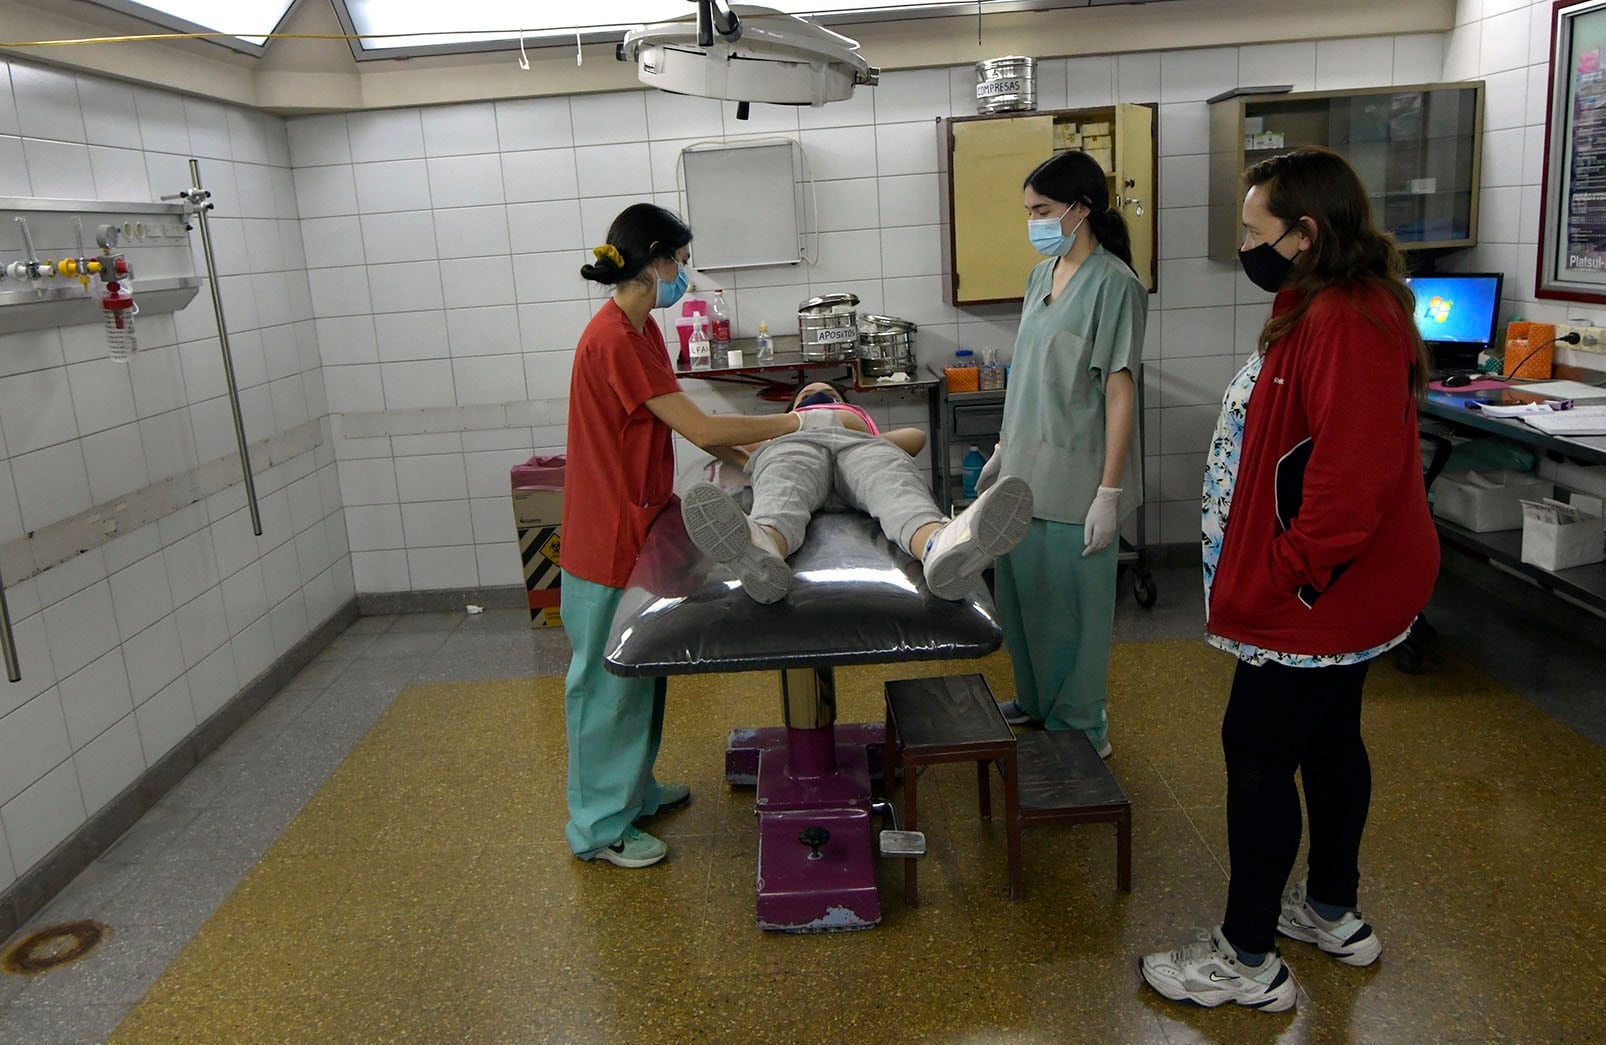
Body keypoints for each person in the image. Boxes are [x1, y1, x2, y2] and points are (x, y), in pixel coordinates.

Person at [1139, 146, 1439, 1011]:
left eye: (1255, 229)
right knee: (1330, 739)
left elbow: (1349, 482)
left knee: (1260, 753)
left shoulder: (1347, 320)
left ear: (1305, 234)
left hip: (1319, 594)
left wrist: (1285, 575)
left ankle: (1246, 957)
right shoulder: (1326, 303)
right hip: (1337, 590)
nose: (1247, 243)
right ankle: (1332, 910)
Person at [563, 203, 809, 870]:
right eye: (679, 260)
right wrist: (790, 429)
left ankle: (633, 791)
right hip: (604, 536)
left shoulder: (642, 331)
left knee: (642, 666)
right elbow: (700, 428)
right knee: (605, 684)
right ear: (655, 259)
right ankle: (598, 825)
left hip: (641, 518)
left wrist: (757, 463)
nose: (683, 276)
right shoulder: (612, 337)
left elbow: (678, 424)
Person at [979, 150, 1147, 758]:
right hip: (1025, 470)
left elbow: (1119, 391)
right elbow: (1030, 373)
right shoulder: (1038, 277)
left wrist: (1109, 491)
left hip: (1078, 477)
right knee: (1026, 601)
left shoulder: (1115, 285)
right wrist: (1004, 447)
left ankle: (1080, 726)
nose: (1034, 222)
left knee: (1074, 611)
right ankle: (1034, 700)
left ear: (1082, 208)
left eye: (1043, 210)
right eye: (1028, 211)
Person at [681, 381, 1034, 604]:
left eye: (831, 397)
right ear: (792, 410)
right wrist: (768, 446)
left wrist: (862, 434)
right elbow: (722, 443)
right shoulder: (783, 433)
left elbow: (915, 438)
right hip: (795, 446)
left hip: (860, 447)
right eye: (807, 397)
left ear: (851, 408)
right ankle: (762, 547)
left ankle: (939, 545)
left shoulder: (863, 428)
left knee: (892, 485)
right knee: (782, 488)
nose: (819, 398)